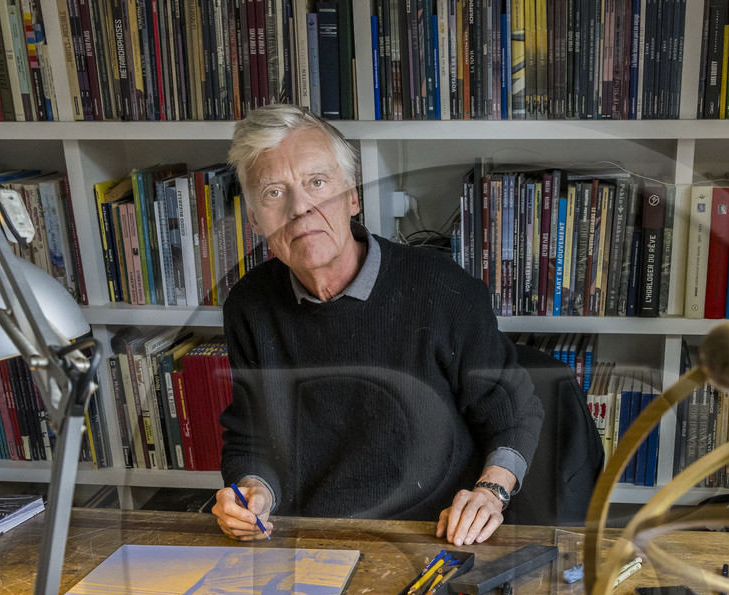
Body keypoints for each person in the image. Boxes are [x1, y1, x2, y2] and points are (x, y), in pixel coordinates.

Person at [210, 105, 542, 547]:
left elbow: (515, 413)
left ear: (352, 196)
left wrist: (489, 493)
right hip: (311, 540)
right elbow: (252, 438)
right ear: (254, 219)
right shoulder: (248, 306)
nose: (300, 207)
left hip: (437, 535)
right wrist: (253, 492)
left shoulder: (443, 289)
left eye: (317, 182)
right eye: (274, 192)